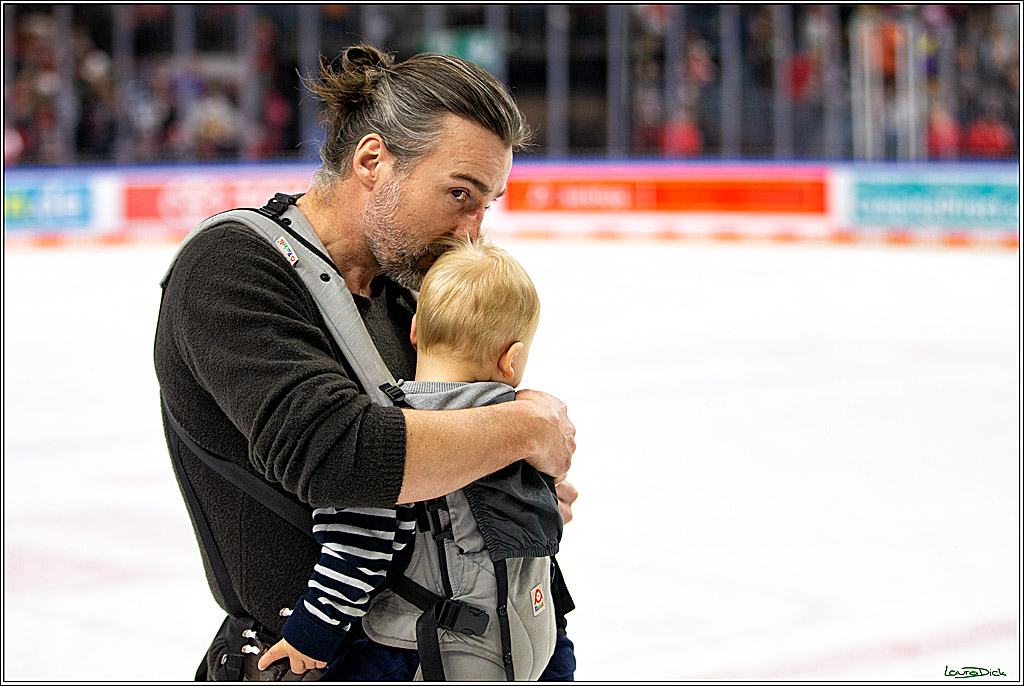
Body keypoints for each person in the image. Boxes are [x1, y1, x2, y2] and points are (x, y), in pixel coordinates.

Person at [154, 44, 578, 681]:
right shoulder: (232, 269)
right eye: (460, 194)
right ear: (373, 161)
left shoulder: (408, 290)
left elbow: (448, 452)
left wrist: (511, 496)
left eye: (486, 204)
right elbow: (341, 456)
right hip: (302, 655)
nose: (473, 231)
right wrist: (525, 431)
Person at [258, 239, 572, 680]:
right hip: (533, 641)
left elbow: (362, 543)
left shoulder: (395, 434)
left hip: (421, 651)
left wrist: (311, 632)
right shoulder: (522, 429)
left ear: (414, 332)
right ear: (511, 360)